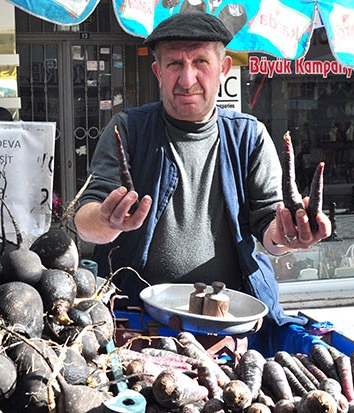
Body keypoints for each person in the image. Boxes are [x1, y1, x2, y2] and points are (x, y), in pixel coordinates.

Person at [73, 11, 332, 327]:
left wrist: (287, 236)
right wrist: (105, 221)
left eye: (200, 62)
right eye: (175, 64)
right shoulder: (127, 130)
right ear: (157, 71)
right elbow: (85, 220)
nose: (187, 79)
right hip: (136, 318)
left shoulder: (248, 137)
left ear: (223, 69)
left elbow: (268, 226)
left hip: (231, 319)